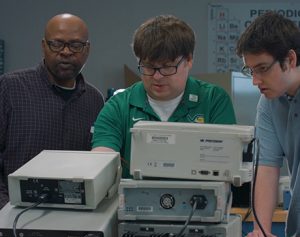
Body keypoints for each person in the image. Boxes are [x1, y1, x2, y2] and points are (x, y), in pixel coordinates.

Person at [92, 14, 236, 178]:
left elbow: (226, 164)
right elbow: (102, 158)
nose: (157, 76)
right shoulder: (119, 105)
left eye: (167, 67)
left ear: (188, 60)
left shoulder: (213, 100)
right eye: (149, 67)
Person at [0, 13, 104, 208]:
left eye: (75, 45)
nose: (65, 52)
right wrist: (5, 209)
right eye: (56, 44)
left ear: (87, 49)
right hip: (11, 216)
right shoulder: (10, 88)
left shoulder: (94, 101)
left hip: (73, 218)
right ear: (43, 46)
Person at [236, 11, 300, 237]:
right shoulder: (269, 103)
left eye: (262, 68)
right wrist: (260, 230)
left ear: (290, 59)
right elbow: (266, 167)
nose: (255, 81)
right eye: (250, 70)